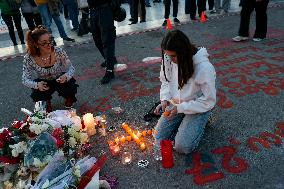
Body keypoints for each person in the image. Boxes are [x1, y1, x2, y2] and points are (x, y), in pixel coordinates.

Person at [153, 30, 216, 154]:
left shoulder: (203, 67)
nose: (170, 60)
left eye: (173, 56)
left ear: (184, 52)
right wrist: (165, 99)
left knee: (182, 147)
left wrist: (181, 108)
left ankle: (203, 119)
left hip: (198, 105)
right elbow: (165, 80)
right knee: (159, 138)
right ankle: (187, 123)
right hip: (177, 103)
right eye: (167, 55)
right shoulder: (168, 57)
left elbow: (209, 100)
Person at [22, 26, 79, 112]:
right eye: (44, 43)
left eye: (50, 40)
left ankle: (69, 97)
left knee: (69, 86)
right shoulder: (29, 58)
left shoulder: (59, 51)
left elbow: (71, 68)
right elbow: (25, 79)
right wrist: (37, 85)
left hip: (59, 79)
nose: (49, 45)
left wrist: (66, 76)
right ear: (36, 44)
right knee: (37, 93)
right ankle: (46, 101)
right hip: (44, 82)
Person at [87, 0, 118, 84]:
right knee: (97, 40)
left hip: (104, 9)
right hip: (92, 11)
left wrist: (115, 7)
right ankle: (110, 59)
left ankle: (110, 71)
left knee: (107, 41)